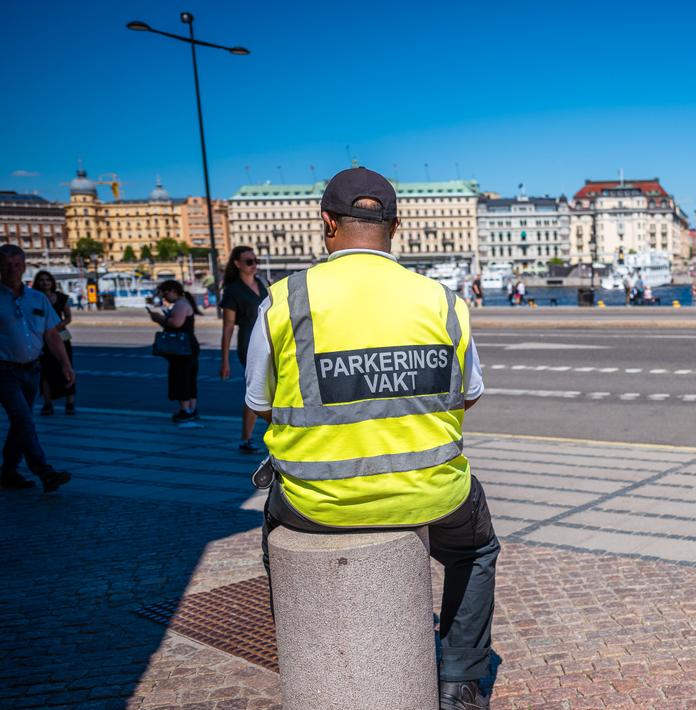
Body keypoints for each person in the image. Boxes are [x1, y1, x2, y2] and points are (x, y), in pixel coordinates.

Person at [245, 167, 497, 710]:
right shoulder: (442, 300)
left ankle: (305, 646)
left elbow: (259, 403)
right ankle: (459, 682)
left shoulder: (285, 300)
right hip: (431, 490)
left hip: (317, 500)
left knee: (270, 529)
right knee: (476, 549)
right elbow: (469, 394)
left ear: (327, 223)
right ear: (395, 226)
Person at [0, 245, 73, 492]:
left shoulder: (37, 298)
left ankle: (9, 472)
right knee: (23, 419)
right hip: (4, 371)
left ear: (24, 266)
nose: (12, 269)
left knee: (20, 422)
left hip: (32, 369)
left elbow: (51, 334)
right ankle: (44, 471)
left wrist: (65, 364)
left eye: (16, 264)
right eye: (6, 265)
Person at [219, 246, 269, 453]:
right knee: (257, 388)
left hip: (268, 340)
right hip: (248, 345)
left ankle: (274, 430)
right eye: (249, 261)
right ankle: (246, 439)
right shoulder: (232, 291)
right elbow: (228, 327)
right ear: (237, 264)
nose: (254, 264)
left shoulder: (262, 283)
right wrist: (225, 361)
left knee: (273, 387)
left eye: (255, 261)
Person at [148, 280, 201, 422]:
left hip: (182, 348)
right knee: (189, 378)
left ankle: (185, 410)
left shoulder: (180, 304)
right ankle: (192, 409)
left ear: (173, 291)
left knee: (181, 378)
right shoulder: (183, 302)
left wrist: (160, 319)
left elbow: (176, 323)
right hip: (188, 346)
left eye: (165, 293)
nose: (164, 297)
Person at [32, 271, 75, 415]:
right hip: (43, 337)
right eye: (42, 280)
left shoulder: (61, 297)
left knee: (67, 367)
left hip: (62, 335)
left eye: (48, 280)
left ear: (52, 282)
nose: (45, 283)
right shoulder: (34, 298)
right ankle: (47, 403)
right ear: (37, 282)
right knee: (46, 371)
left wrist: (59, 325)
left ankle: (70, 403)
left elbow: (68, 317)